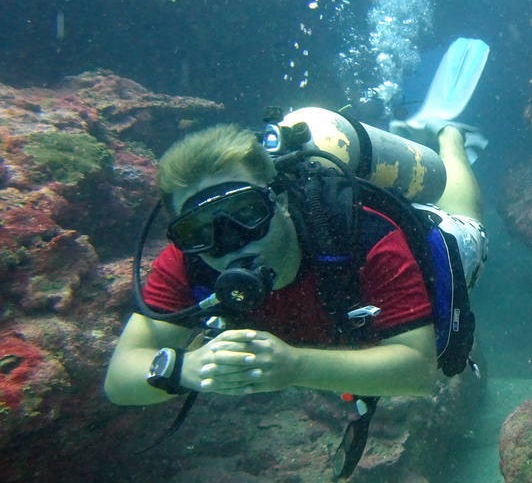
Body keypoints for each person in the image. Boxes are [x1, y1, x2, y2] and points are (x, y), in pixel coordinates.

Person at [103, 122, 486, 405]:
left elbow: (417, 372)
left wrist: (296, 366)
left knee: (467, 221)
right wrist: (184, 369)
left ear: (281, 200)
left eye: (246, 212)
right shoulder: (187, 263)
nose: (232, 242)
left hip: (430, 252)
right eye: (199, 230)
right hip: (337, 327)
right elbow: (119, 380)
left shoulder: (365, 233)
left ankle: (449, 138)